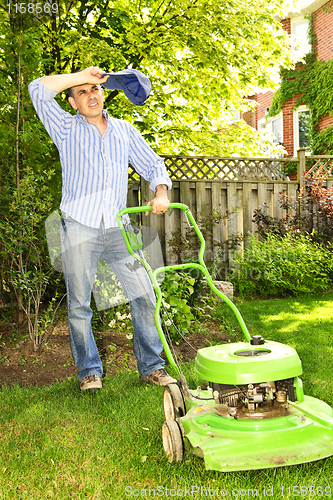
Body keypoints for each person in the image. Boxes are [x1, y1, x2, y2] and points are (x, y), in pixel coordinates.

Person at [28, 66, 176, 392]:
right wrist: (83, 74)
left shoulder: (124, 131)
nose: (91, 95)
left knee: (145, 294)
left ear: (104, 93)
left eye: (94, 89)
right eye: (82, 91)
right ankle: (89, 372)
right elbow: (37, 89)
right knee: (80, 304)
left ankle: (151, 367)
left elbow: (153, 164)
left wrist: (161, 190)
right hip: (79, 228)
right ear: (72, 102)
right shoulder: (65, 128)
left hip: (117, 228)